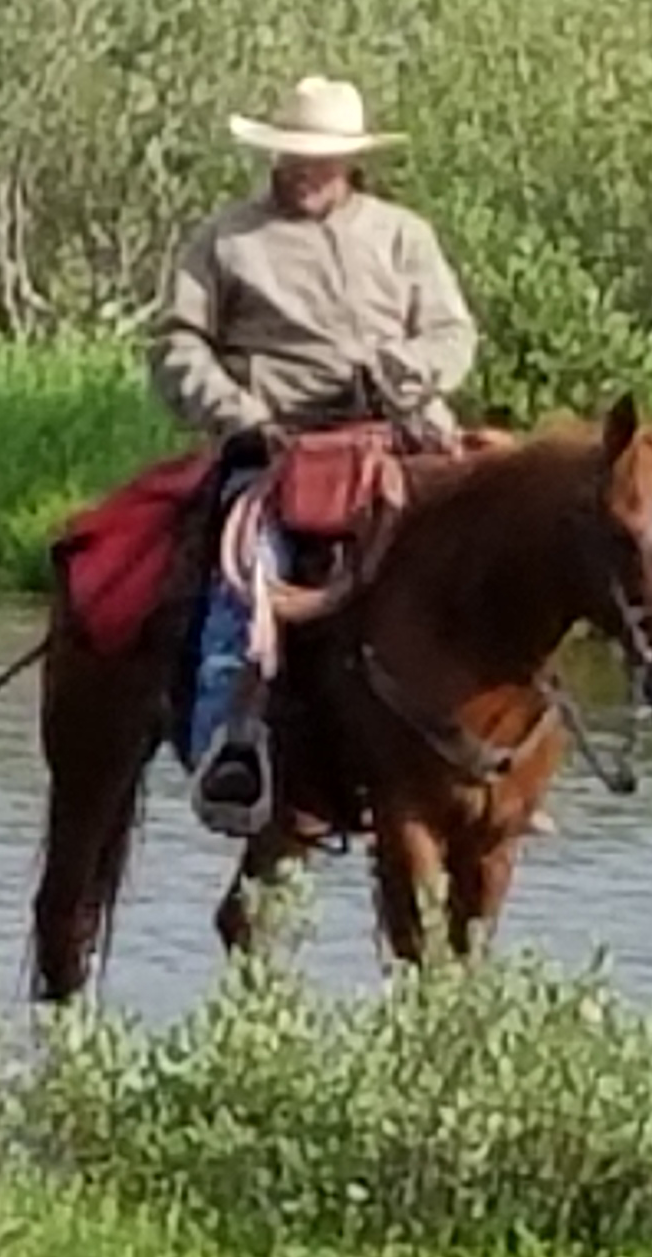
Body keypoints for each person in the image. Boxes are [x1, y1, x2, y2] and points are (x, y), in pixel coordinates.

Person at [150, 75, 478, 838]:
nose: (308, 172)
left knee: (483, 554)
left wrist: (405, 371)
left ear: (351, 163)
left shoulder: (403, 236)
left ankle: (487, 742)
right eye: (296, 157)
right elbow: (176, 345)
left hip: (397, 433)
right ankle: (232, 743)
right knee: (248, 580)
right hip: (277, 445)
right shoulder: (228, 239)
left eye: (322, 159)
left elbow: (452, 333)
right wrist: (239, 415)